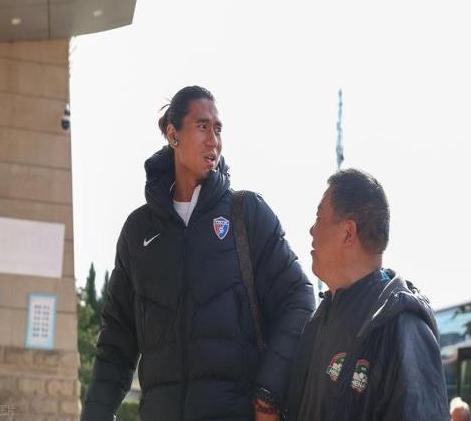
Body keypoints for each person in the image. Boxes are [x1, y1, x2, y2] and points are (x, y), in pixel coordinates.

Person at [81, 85, 315, 421]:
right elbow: (117, 340)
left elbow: (299, 298)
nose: (213, 141)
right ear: (173, 135)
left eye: (218, 129)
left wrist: (269, 392)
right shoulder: (138, 230)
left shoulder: (247, 214)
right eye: (202, 127)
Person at [286, 168, 449, 420]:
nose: (311, 230)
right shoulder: (319, 320)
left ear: (348, 232)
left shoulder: (402, 325)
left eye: (318, 218)